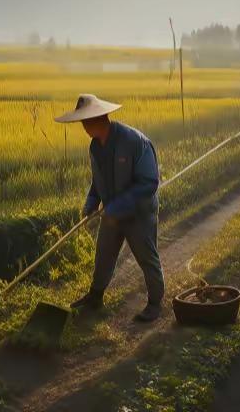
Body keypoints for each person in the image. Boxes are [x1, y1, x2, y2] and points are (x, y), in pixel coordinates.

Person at [55, 94, 165, 322]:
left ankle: (155, 303)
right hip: (112, 213)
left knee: (146, 256)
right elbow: (98, 181)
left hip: (138, 213)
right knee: (103, 253)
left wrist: (116, 207)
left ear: (100, 118)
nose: (84, 126)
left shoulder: (134, 141)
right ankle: (95, 296)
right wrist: (91, 202)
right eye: (82, 122)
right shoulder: (95, 147)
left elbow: (149, 182)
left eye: (86, 121)